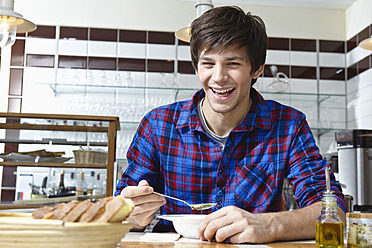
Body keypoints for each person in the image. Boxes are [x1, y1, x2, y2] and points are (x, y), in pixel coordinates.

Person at [115, 5, 346, 244]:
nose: (218, 77)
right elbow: (119, 212)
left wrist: (269, 224)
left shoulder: (288, 125)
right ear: (196, 67)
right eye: (208, 64)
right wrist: (131, 215)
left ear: (257, 69)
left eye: (232, 64)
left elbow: (334, 210)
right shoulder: (158, 125)